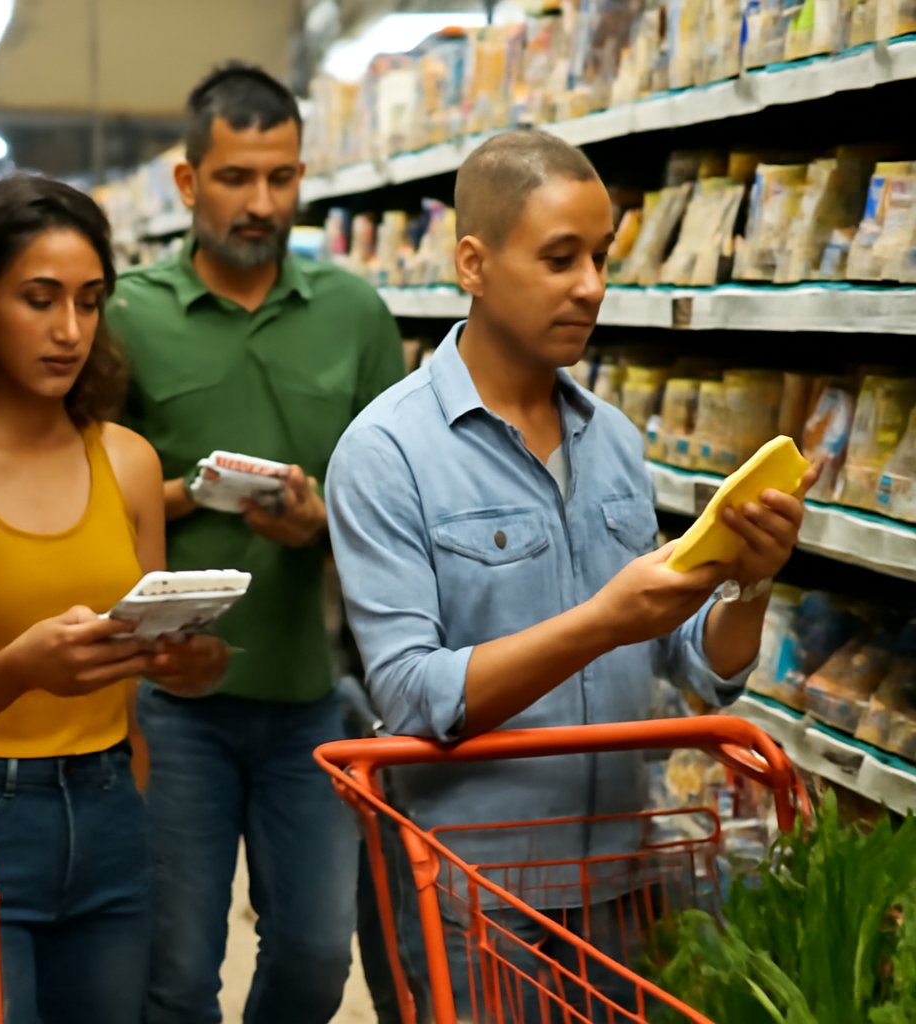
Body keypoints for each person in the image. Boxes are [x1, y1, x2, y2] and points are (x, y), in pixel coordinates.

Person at [326, 130, 813, 1019]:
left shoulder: (616, 442)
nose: (590, 285)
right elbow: (409, 692)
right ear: (473, 263)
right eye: (559, 258)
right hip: (481, 893)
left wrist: (751, 579)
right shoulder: (384, 453)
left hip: (625, 877)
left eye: (599, 257)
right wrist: (601, 621)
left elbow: (699, 671)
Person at [0, 174, 228, 1024]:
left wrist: (191, 659)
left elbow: (152, 688)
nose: (70, 331)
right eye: (40, 299)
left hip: (111, 816)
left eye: (90, 302)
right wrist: (21, 668)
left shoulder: (129, 463)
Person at [106, 63, 405, 1024]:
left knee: (319, 956)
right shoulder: (127, 315)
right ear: (190, 183)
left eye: (280, 178)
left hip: (313, 696)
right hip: (170, 697)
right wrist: (188, 493)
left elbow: (393, 507)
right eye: (236, 178)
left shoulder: (354, 313)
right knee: (178, 967)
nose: (261, 202)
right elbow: (76, 497)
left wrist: (319, 525)